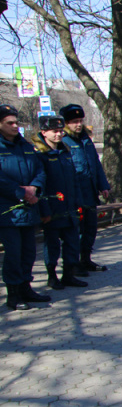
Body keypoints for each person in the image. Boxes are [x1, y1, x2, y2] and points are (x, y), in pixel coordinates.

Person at [0, 104, 50, 310]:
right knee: (13, 253)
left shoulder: (27, 146)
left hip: (29, 209)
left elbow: (40, 170)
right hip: (8, 212)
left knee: (29, 251)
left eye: (16, 122)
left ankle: (26, 287)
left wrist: (35, 188)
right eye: (9, 123)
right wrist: (22, 192)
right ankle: (13, 294)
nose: (15, 126)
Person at [31, 114, 87, 290]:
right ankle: (52, 276)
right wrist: (44, 210)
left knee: (72, 243)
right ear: (44, 132)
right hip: (53, 209)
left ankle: (69, 275)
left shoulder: (65, 151)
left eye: (61, 131)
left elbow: (74, 180)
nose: (58, 135)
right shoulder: (40, 155)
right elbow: (41, 186)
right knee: (52, 246)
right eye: (54, 131)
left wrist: (78, 203)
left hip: (69, 207)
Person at [60, 104, 112, 273]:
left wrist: (103, 185)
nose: (78, 124)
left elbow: (96, 164)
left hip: (89, 192)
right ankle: (73, 263)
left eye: (80, 121)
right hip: (74, 193)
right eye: (74, 121)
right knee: (76, 231)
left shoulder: (85, 140)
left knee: (90, 228)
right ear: (66, 123)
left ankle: (85, 259)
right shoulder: (63, 141)